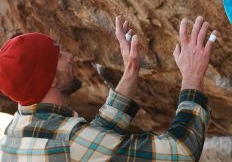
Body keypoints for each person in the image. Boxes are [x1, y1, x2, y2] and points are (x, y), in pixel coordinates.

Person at [0, 15, 216, 161]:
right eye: (59, 56)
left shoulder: (12, 136)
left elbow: (92, 142)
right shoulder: (71, 142)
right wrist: (192, 76)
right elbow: (181, 152)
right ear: (51, 79)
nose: (70, 57)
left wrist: (131, 68)